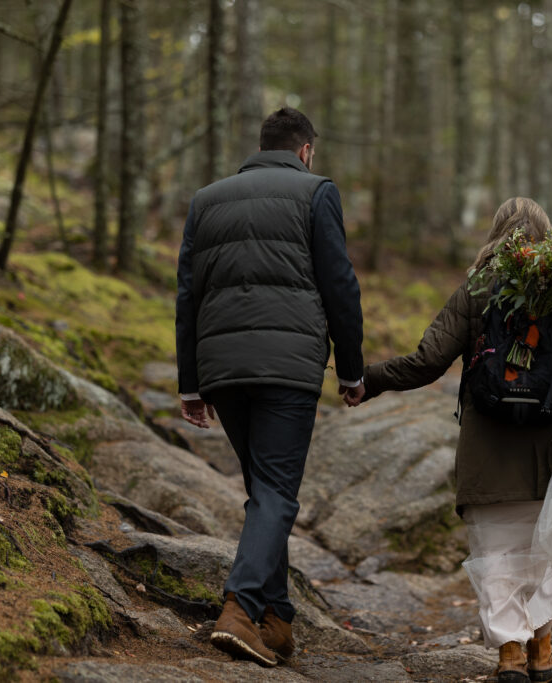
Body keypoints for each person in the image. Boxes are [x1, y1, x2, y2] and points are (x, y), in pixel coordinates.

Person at [361, 197, 552, 683]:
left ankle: (511, 655)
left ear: (497, 231)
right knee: (548, 550)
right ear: (547, 236)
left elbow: (427, 361)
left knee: (495, 550)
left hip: (488, 446)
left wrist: (369, 379)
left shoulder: (476, 287)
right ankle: (542, 648)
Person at [175, 107, 364, 667]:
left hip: (223, 368)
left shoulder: (206, 199)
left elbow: (188, 295)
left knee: (265, 490)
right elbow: (339, 283)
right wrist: (351, 370)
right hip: (287, 366)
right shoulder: (316, 192)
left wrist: (191, 383)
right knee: (277, 491)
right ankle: (240, 607)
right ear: (306, 150)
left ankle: (277, 619)